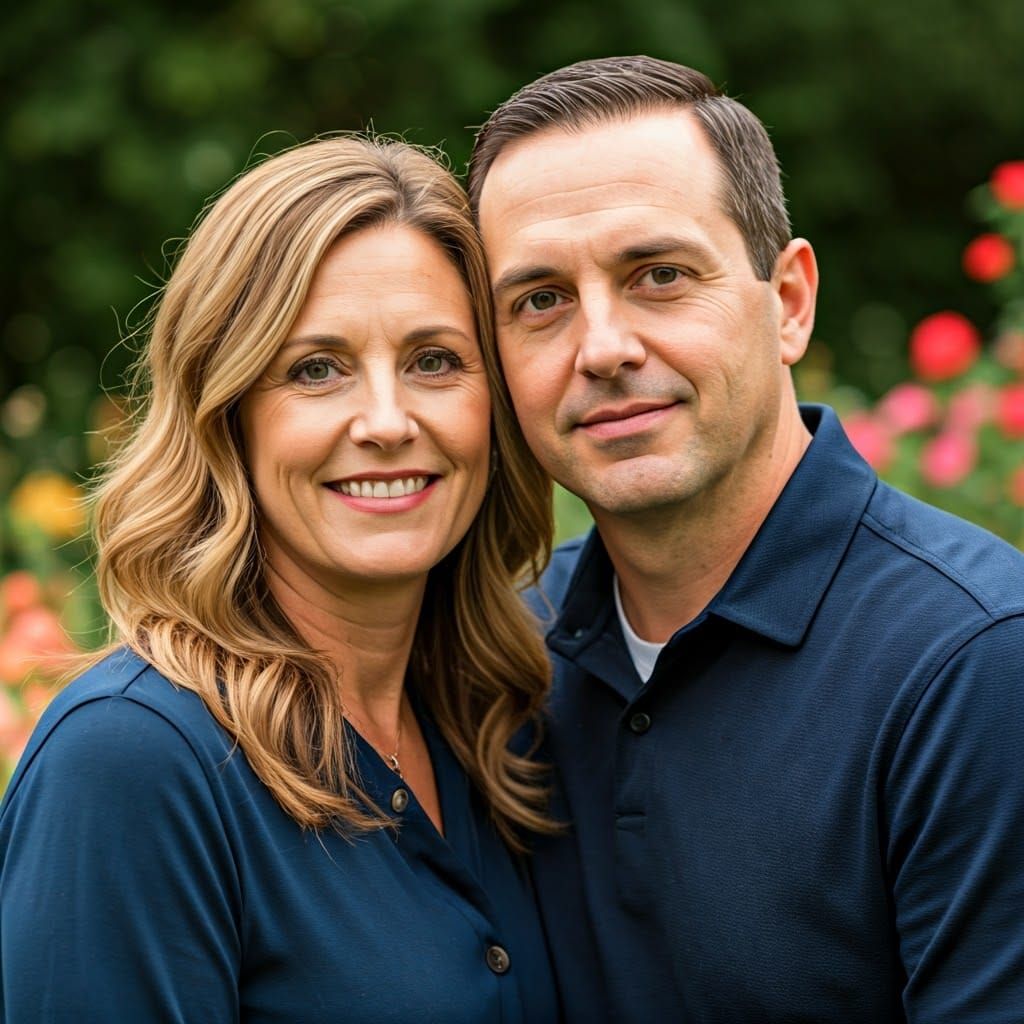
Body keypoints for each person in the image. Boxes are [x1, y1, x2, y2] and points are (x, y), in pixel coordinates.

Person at [468, 55, 1024, 1022]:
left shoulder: (975, 662)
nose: (602, 347)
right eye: (541, 300)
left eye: (660, 275)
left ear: (789, 301)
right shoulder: (507, 657)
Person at [0, 136, 561, 1022]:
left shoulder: (498, 720)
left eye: (434, 360)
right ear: (227, 414)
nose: (386, 421)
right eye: (316, 369)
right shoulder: (133, 766)